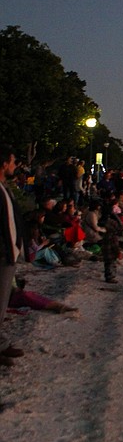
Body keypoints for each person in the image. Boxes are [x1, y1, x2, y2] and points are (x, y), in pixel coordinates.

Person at [0, 145, 26, 366]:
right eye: (13, 161)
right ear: (3, 164)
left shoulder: (4, 187)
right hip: (3, 255)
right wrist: (12, 251)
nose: (15, 165)